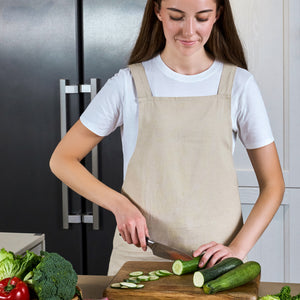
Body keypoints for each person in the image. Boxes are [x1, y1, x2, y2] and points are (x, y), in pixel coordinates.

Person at [50, 0, 285, 276]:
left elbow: (273, 184)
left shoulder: (240, 86)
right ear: (158, 11)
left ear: (218, 15)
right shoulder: (128, 84)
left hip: (216, 264)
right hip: (140, 258)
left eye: (201, 17)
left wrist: (238, 249)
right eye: (176, 16)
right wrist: (120, 205)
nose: (189, 30)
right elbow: (62, 159)